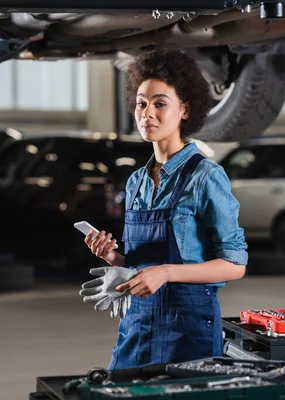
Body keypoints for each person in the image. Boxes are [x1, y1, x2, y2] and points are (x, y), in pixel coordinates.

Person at [82, 48, 248, 370]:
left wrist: (167, 273)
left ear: (185, 110)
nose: (147, 113)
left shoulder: (206, 177)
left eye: (160, 103)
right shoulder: (136, 183)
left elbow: (234, 264)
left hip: (188, 331)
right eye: (141, 103)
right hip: (137, 326)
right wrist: (114, 258)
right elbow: (141, 262)